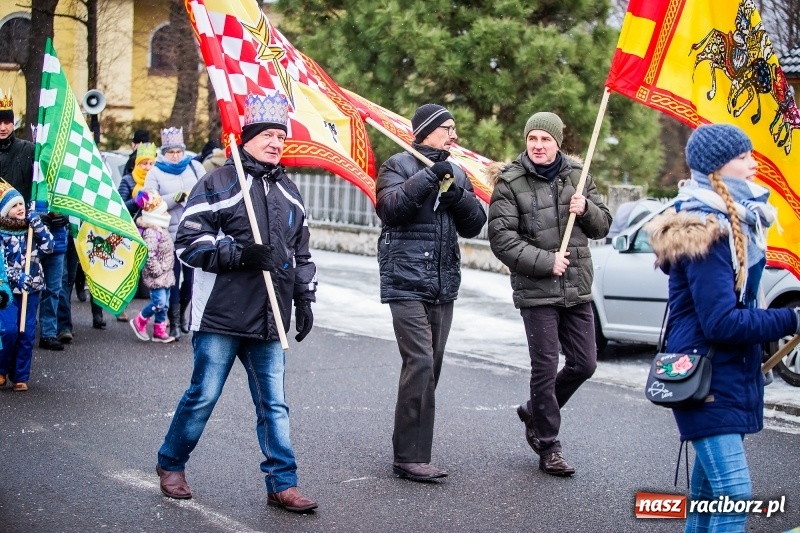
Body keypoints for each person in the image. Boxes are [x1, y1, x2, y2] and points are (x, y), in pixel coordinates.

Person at [156, 91, 318, 512]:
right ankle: (171, 464)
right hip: (221, 316)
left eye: (281, 136)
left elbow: (302, 252)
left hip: (271, 318)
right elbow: (187, 243)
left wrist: (304, 296)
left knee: (274, 404)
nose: (275, 142)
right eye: (266, 134)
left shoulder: (291, 192)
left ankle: (283, 483)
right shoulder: (217, 183)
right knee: (203, 394)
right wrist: (240, 254)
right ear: (245, 137)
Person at [644, 123, 800, 532]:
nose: (754, 163)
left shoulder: (736, 222)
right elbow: (722, 322)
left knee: (709, 497)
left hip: (726, 373)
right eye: (744, 156)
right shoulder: (706, 230)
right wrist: (793, 318)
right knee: (734, 494)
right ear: (718, 167)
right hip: (707, 374)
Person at [487, 111, 611, 476]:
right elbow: (502, 239)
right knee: (544, 368)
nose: (538, 146)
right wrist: (546, 261)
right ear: (526, 142)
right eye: (532, 139)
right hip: (536, 288)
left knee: (585, 363)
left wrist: (586, 208)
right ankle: (548, 446)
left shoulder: (578, 175)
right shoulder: (510, 182)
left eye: (546, 140)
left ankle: (534, 411)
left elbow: (603, 225)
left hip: (576, 288)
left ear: (558, 142)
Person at [376, 103, 487, 482]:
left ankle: (416, 453)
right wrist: (428, 177)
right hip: (405, 280)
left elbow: (475, 226)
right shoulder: (397, 165)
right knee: (420, 361)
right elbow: (390, 209)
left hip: (442, 284)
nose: (453, 135)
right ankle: (407, 457)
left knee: (431, 367)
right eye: (447, 129)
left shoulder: (457, 171)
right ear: (425, 130)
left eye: (454, 128)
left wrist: (459, 196)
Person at [144, 127, 204, 340]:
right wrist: (175, 198)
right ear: (164, 152)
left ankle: (183, 312)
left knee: (191, 279)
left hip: (194, 232)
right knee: (172, 279)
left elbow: (208, 192)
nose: (176, 156)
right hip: (167, 235)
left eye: (179, 152)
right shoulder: (155, 172)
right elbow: (149, 202)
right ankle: (175, 322)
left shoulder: (195, 167)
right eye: (171, 152)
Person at [0, 181, 54, 391]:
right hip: (7, 290)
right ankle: (2, 369)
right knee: (9, 330)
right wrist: (15, 277)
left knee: (27, 332)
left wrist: (38, 224)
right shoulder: (2, 232)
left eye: (21, 203)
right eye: (14, 206)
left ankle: (20, 375)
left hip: (31, 288)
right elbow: (2, 263)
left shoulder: (32, 227)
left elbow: (49, 247)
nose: (20, 208)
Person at [117, 142, 157, 322]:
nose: (147, 168)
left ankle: (160, 312)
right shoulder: (128, 180)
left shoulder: (156, 179)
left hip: (154, 229)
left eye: (151, 164)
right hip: (131, 230)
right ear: (137, 164)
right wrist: (137, 201)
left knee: (157, 271)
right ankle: (121, 307)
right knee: (128, 270)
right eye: (144, 164)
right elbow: (120, 206)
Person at [129, 190, 175, 343]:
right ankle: (140, 320)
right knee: (159, 302)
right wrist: (158, 271)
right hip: (158, 275)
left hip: (166, 274)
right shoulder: (151, 232)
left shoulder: (161, 228)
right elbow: (149, 254)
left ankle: (159, 330)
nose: (167, 214)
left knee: (165, 304)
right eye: (164, 212)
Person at [0, 91, 34, 205]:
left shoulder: (28, 149)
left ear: (13, 123)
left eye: (7, 122)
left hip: (22, 217)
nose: (3, 128)